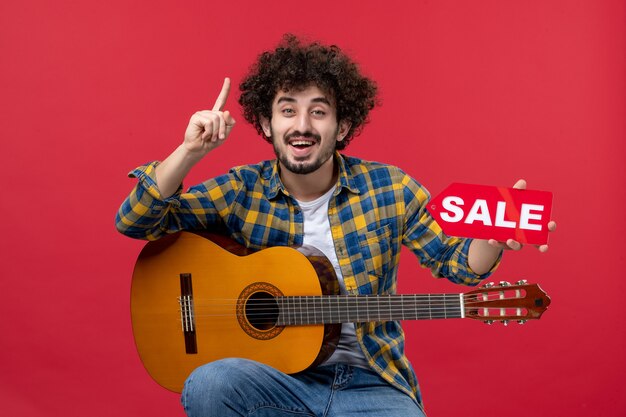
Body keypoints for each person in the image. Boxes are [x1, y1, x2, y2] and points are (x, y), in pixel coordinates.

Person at [116, 34, 555, 417]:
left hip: (371, 384)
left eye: (319, 112)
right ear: (267, 124)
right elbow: (135, 220)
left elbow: (457, 263)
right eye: (287, 110)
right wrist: (189, 151)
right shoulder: (240, 191)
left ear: (343, 125)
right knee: (209, 383)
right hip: (273, 382)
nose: (302, 126)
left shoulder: (390, 188)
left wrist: (492, 241)